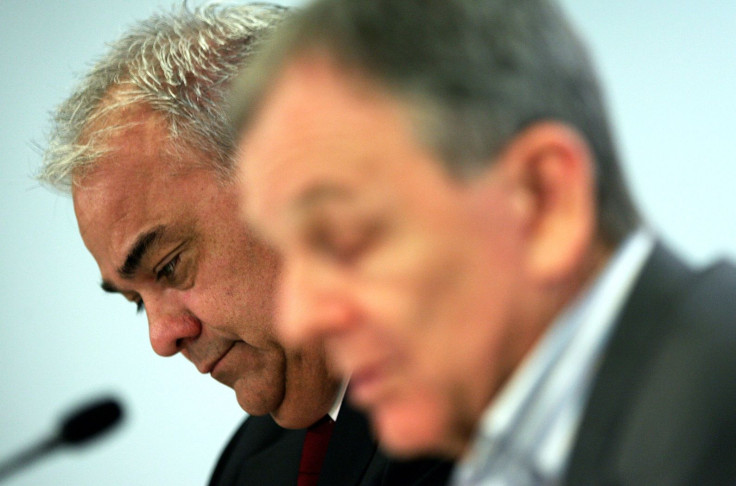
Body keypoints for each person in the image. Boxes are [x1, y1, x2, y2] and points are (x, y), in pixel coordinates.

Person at [228, 0, 736, 484]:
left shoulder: (711, 429)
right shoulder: (510, 452)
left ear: (543, 199)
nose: (300, 318)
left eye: (342, 241)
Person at [39, 4, 452, 486]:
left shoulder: (480, 385)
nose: (161, 338)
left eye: (170, 267)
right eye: (135, 303)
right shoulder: (247, 466)